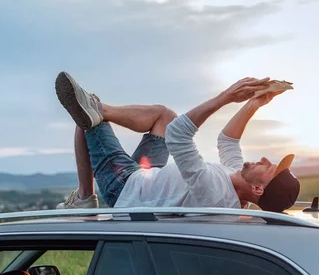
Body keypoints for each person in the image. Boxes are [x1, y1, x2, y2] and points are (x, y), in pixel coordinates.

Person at [54, 71, 300, 213]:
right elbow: (228, 140)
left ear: (259, 189)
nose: (266, 160)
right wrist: (254, 103)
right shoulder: (238, 189)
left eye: (271, 168)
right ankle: (97, 109)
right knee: (165, 115)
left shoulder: (214, 194)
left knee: (86, 119)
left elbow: (178, 135)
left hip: (124, 189)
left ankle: (86, 196)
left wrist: (226, 97)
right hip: (145, 177)